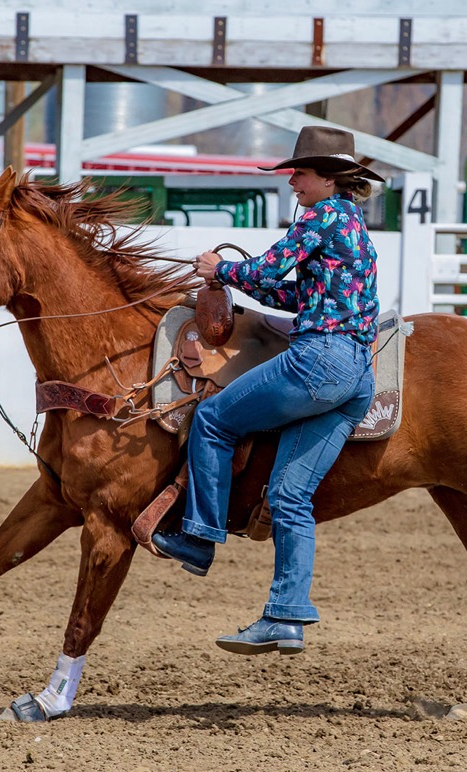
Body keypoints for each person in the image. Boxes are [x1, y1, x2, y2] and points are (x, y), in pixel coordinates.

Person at [152, 126, 382, 656]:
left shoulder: (322, 216)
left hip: (319, 359)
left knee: (212, 421)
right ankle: (285, 616)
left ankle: (199, 536)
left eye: (299, 172)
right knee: (290, 496)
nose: (292, 181)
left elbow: (269, 268)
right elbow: (285, 287)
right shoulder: (348, 224)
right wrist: (234, 282)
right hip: (354, 375)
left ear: (328, 177)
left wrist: (220, 269)